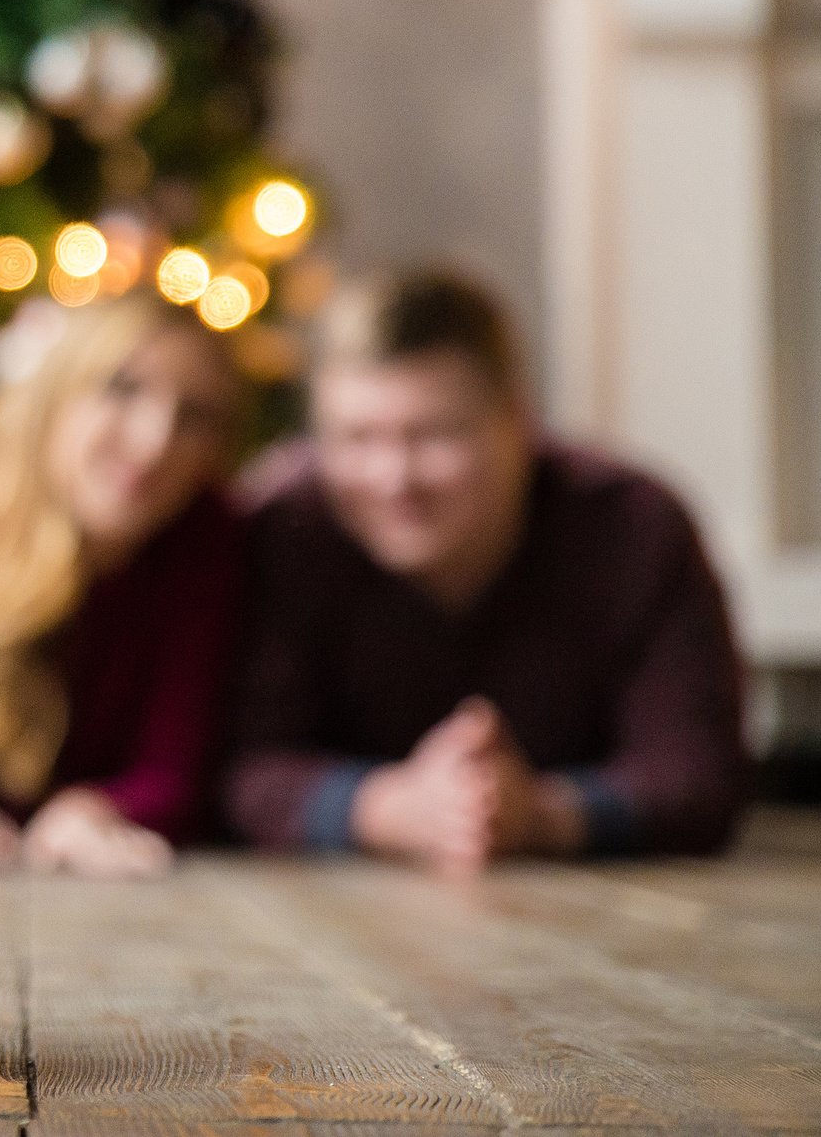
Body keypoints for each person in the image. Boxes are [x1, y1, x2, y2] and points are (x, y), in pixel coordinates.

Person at [226, 269, 748, 868]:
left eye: (435, 436)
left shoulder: (634, 525)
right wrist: (388, 809)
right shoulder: (284, 526)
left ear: (518, 424)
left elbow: (700, 776)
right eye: (357, 439)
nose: (395, 480)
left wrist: (540, 814)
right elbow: (240, 764)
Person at [0, 297, 247, 881]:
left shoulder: (204, 540)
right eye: (122, 389)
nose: (157, 440)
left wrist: (100, 808)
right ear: (53, 398)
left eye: (195, 415)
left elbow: (178, 766)